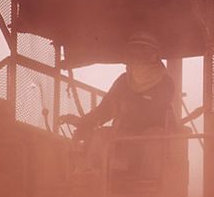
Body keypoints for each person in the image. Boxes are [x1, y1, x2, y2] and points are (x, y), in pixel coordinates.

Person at [60, 31, 176, 176]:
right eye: (134, 51)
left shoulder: (165, 82)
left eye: (143, 51)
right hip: (123, 132)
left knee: (154, 139)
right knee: (100, 136)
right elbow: (105, 109)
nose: (138, 56)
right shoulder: (123, 81)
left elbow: (157, 111)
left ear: (154, 55)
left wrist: (132, 109)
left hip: (150, 132)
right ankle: (91, 177)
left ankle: (147, 184)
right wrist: (83, 121)